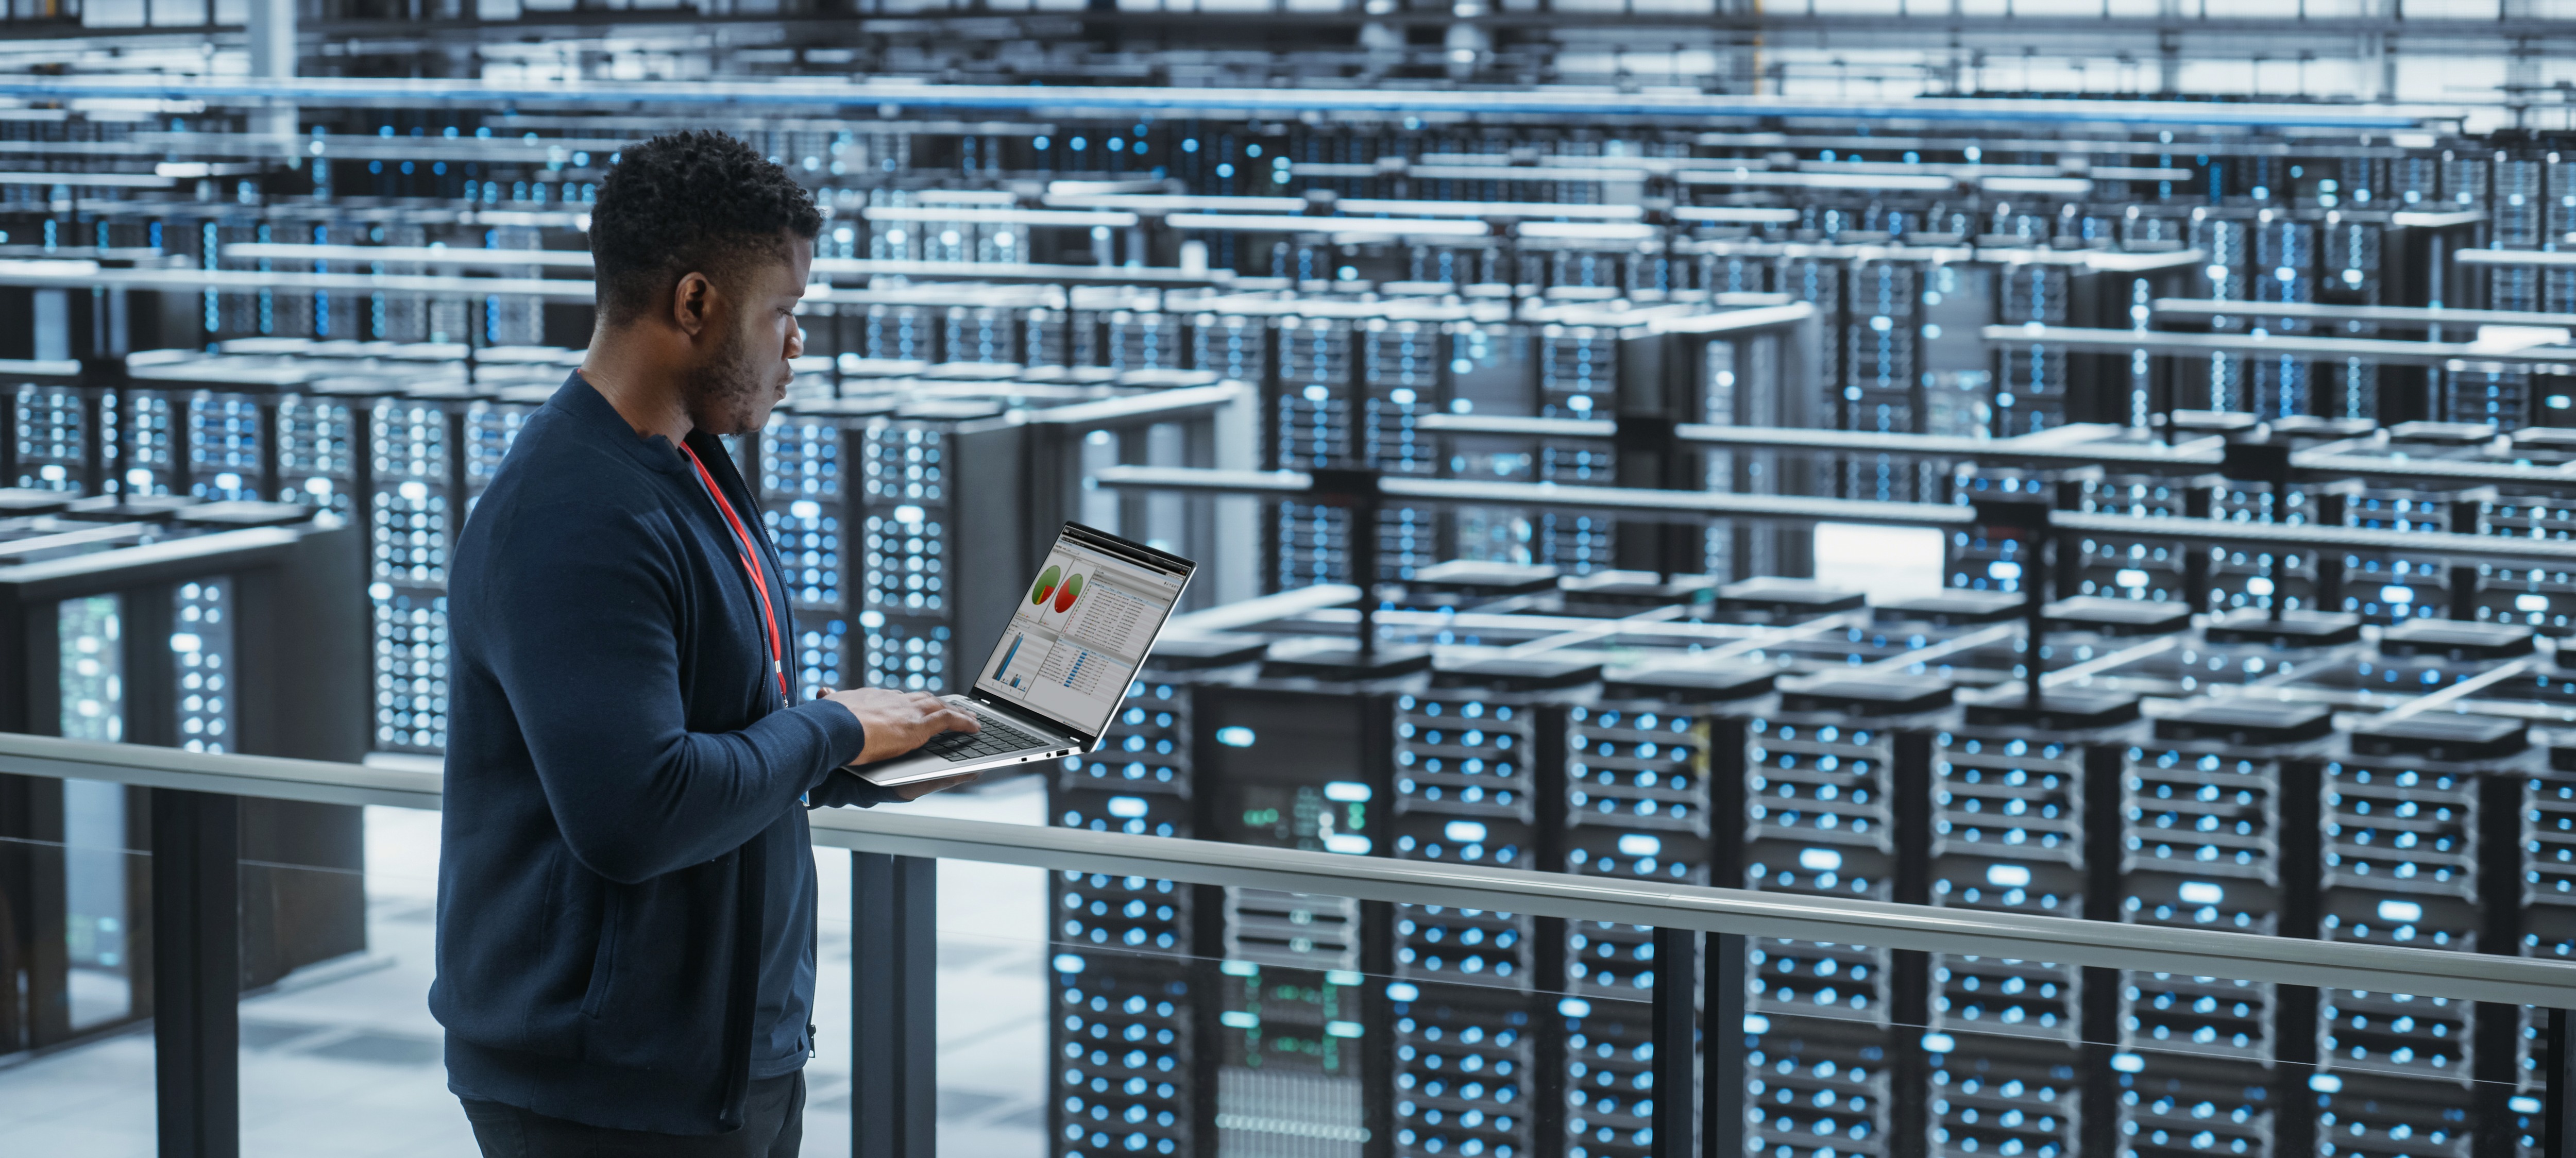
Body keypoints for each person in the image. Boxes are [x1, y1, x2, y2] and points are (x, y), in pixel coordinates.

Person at [432, 129, 976, 1158]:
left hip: (720, 1059)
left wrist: (877, 751)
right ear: (694, 304)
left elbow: (725, 732)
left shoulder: (690, 471)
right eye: (784, 312)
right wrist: (826, 730)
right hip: (602, 1091)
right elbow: (635, 812)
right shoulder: (576, 515)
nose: (797, 345)